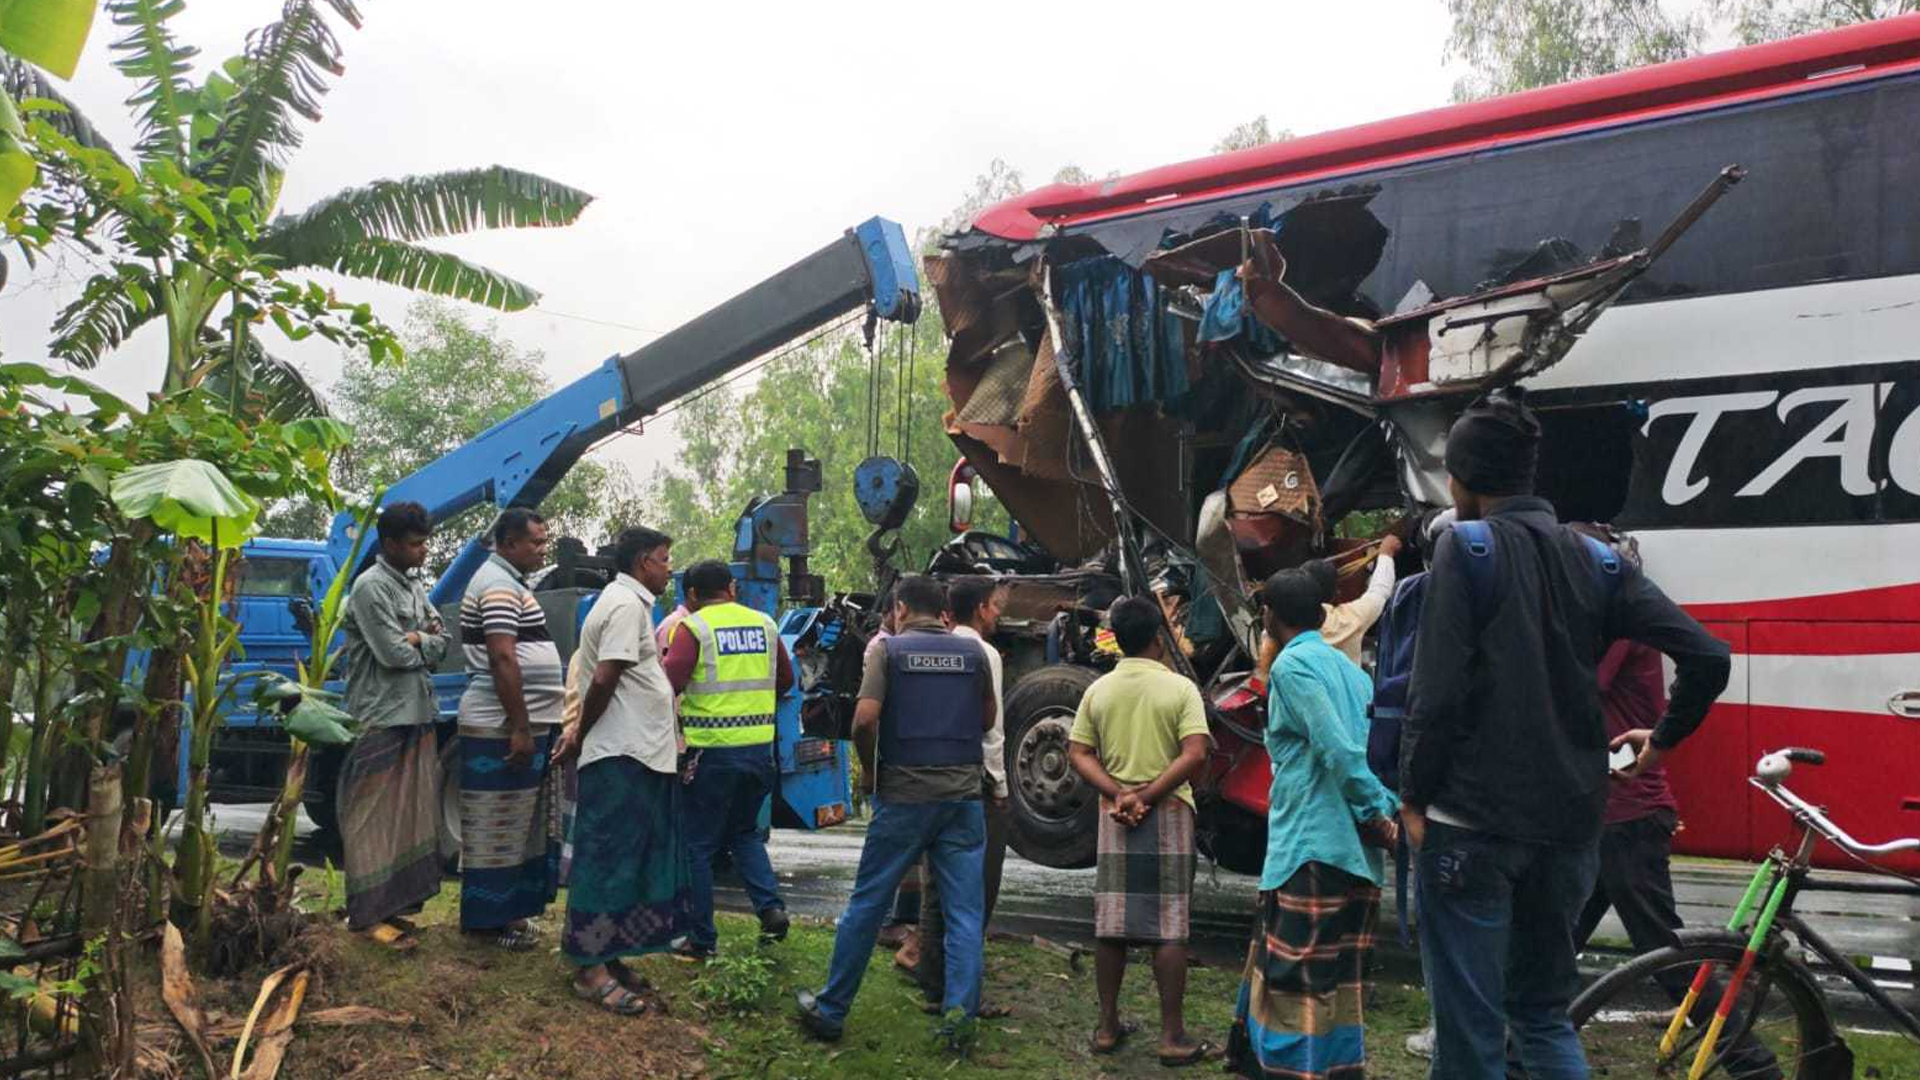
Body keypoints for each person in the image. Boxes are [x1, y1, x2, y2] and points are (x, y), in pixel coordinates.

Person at [1398, 389, 1732, 1080]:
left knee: (1470, 1034)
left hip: (1473, 824)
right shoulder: (1600, 561)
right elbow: (1708, 656)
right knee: (1543, 1017)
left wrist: (1412, 797)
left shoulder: (1466, 548)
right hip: (1572, 829)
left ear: (1462, 479)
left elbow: (1436, 695)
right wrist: (1661, 741)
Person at [797, 576, 993, 1050]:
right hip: (962, 797)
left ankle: (831, 1010)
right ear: (943, 612)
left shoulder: (889, 652)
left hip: (904, 795)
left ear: (900, 609)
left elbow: (865, 720)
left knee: (868, 903)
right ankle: (959, 1025)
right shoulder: (974, 654)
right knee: (964, 915)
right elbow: (987, 719)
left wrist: (870, 771)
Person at [1228, 569, 1399, 1079]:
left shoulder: (1292, 666)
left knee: (1294, 981)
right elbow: (1372, 753)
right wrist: (1382, 813)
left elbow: (1337, 751)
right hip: (1355, 853)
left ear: (1269, 616)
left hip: (1310, 845)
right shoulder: (1354, 673)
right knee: (1339, 982)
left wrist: (1375, 812)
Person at [1067, 596, 1216, 1068]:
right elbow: (1195, 753)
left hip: (1116, 815)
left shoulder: (1099, 691)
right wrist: (1148, 795)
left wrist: (1120, 794)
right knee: (1169, 928)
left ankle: (1107, 1027)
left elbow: (1078, 752)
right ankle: (1171, 1035)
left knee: (1111, 926)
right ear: (1158, 639)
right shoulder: (1181, 689)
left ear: (1117, 639)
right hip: (1168, 811)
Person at [549, 526, 692, 1014]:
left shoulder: (630, 604)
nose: (669, 568)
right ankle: (589, 970)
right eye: (664, 559)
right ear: (643, 561)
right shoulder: (625, 606)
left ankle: (609, 955)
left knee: (627, 860)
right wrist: (579, 733)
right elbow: (605, 676)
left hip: (638, 754)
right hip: (619, 755)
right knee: (606, 860)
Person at [661, 558, 796, 960]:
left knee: (698, 845)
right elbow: (786, 679)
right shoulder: (766, 625)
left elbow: (668, 682)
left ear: (692, 594)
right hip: (759, 751)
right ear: (732, 588)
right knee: (744, 834)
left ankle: (701, 939)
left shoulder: (694, 628)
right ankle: (770, 909)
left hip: (710, 753)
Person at [337, 500, 450, 950]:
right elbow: (393, 654)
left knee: (407, 816)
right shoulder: (370, 588)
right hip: (380, 715)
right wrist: (424, 640)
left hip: (417, 711)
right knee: (370, 818)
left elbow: (444, 642)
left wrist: (419, 637)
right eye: (415, 544)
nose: (424, 551)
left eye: (425, 542)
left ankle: (392, 907)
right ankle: (365, 917)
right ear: (389, 544)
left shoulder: (414, 585)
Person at [455, 508, 567, 948]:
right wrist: (519, 727)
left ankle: (509, 916)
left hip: (519, 721)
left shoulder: (510, 582)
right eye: (535, 542)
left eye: (543, 541)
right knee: (495, 826)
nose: (542, 550)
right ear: (508, 544)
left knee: (516, 825)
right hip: (499, 725)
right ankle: (485, 924)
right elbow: (502, 657)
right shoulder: (498, 585)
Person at [910, 576, 1011, 1014]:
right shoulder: (983, 653)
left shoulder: (934, 648)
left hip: (933, 778)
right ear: (982, 608)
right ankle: (964, 993)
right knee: (976, 890)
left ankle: (933, 983)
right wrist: (999, 785)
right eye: (995, 605)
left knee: (936, 887)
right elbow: (992, 729)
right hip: (975, 783)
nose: (999, 613)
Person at [1251, 535, 1402, 692]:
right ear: (1336, 594)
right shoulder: (1352, 618)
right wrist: (1386, 555)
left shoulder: (1279, 631)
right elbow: (1379, 591)